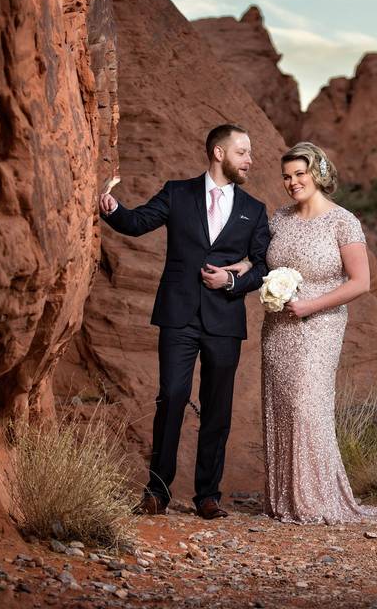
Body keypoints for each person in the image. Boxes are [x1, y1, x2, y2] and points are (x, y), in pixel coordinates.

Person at [98, 124, 270, 519]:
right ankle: (156, 492)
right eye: (243, 152)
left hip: (225, 319)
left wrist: (230, 280)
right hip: (178, 315)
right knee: (171, 398)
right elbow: (137, 223)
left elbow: (263, 265)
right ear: (218, 153)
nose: (250, 160)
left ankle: (207, 496)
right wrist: (114, 210)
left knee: (217, 408)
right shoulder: (177, 193)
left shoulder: (254, 209)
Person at [227, 142, 377, 523]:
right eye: (286, 176)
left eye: (300, 174)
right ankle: (285, 499)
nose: (292, 182)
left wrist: (310, 306)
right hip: (279, 326)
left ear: (317, 173)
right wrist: (242, 266)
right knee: (282, 405)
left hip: (321, 324)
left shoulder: (343, 221)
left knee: (307, 405)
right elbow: (261, 258)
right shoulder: (279, 219)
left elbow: (361, 282)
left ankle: (316, 499)